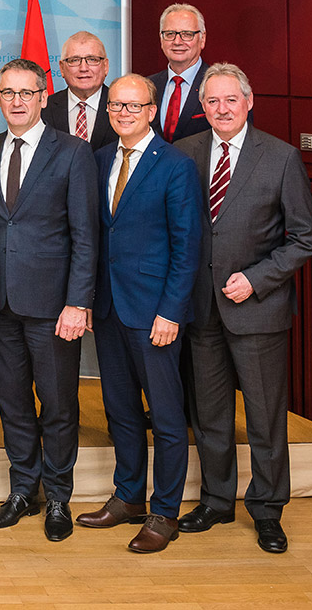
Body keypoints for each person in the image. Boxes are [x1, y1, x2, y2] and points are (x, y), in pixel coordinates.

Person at [175, 63, 312, 553]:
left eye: (230, 99)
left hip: (257, 311)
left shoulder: (280, 157)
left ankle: (267, 509)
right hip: (201, 309)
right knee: (210, 415)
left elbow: (305, 237)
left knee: (264, 417)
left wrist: (257, 279)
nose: (222, 109)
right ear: (202, 106)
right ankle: (217, 500)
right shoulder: (184, 153)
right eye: (212, 101)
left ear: (249, 100)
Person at [75, 74, 202, 553]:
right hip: (109, 308)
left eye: (133, 105)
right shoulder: (100, 159)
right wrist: (89, 298)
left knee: (165, 417)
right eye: (116, 105)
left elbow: (186, 247)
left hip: (154, 314)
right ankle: (128, 497)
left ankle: (164, 512)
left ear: (151, 111)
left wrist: (171, 311)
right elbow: (96, 236)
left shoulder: (175, 165)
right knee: (121, 410)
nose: (123, 112)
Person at [0, 59, 98, 542]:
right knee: (12, 402)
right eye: (8, 93)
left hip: (53, 307)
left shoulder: (73, 151)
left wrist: (78, 302)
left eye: (26, 93)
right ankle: (23, 489)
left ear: (44, 97)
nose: (17, 101)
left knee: (58, 404)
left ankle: (59, 496)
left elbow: (85, 236)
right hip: (0, 303)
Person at [41, 31, 115, 151]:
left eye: (92, 59)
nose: (83, 68)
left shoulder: (122, 107)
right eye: (74, 60)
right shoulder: (44, 108)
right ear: (62, 68)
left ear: (105, 66)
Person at [149, 4, 210, 143]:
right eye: (170, 34)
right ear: (161, 39)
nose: (177, 41)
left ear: (202, 39)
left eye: (187, 34)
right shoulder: (148, 86)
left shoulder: (219, 85)